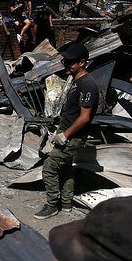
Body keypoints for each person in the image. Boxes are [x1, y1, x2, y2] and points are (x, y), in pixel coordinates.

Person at [34, 43, 97, 220]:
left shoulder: (87, 85)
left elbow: (84, 117)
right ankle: (67, 203)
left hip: (73, 137)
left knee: (49, 169)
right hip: (68, 132)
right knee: (66, 168)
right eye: (65, 61)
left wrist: (65, 135)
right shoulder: (77, 81)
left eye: (70, 62)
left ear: (82, 63)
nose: (66, 65)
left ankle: (52, 205)